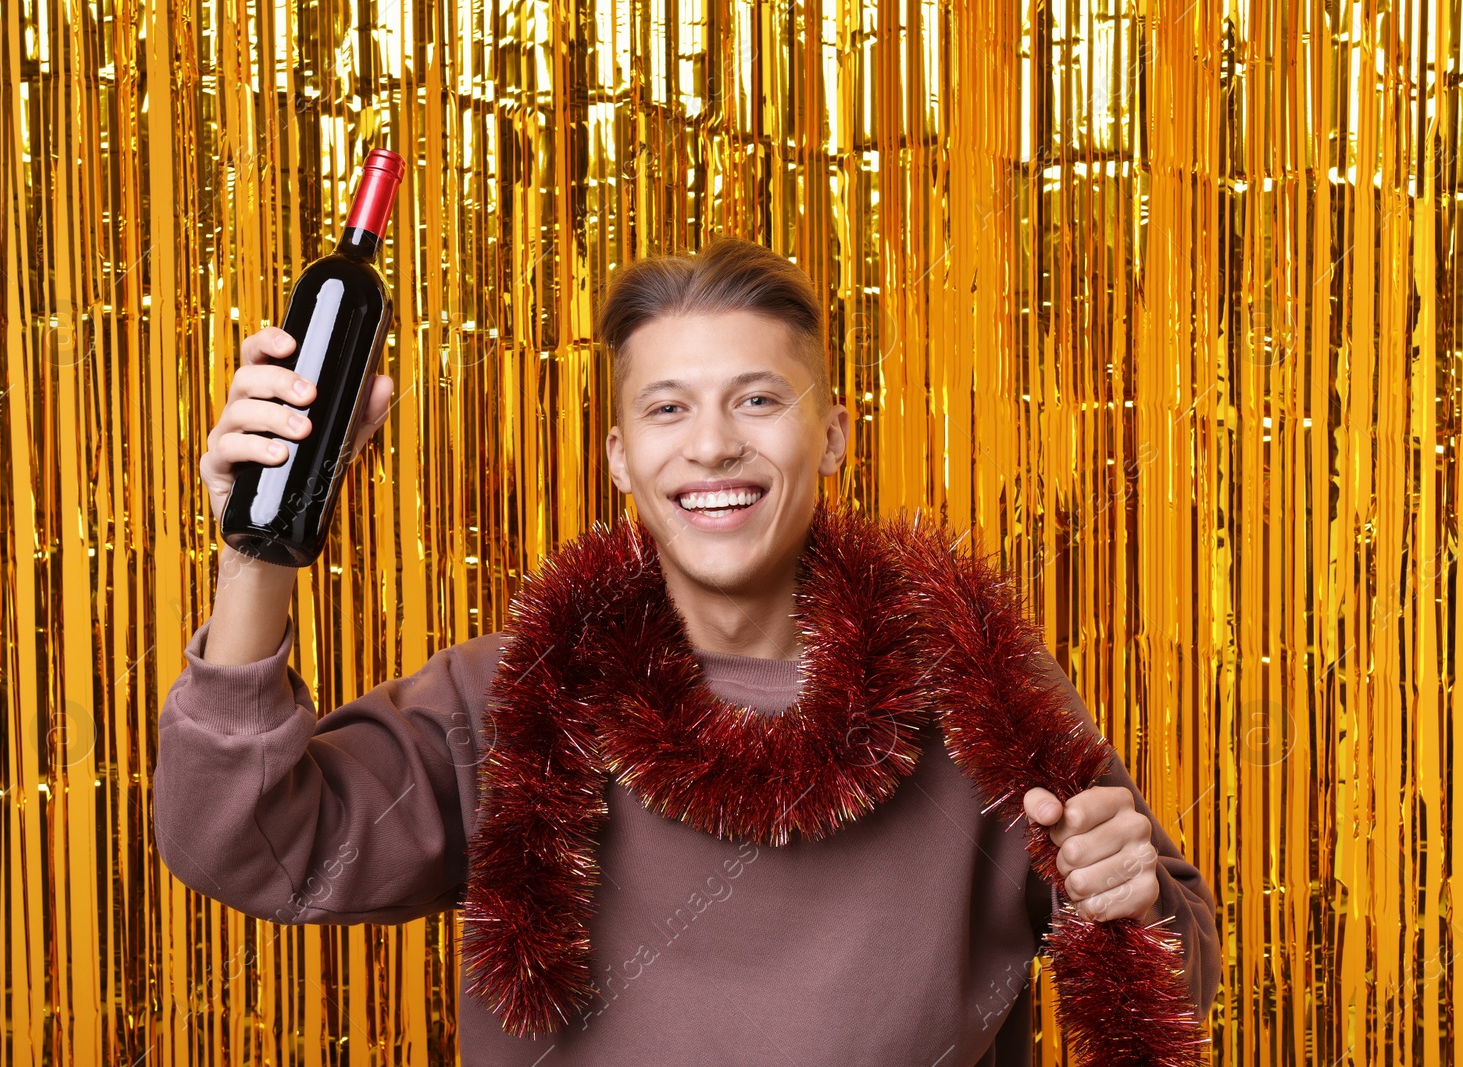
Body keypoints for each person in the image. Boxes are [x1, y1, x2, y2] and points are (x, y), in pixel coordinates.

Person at [155, 237, 1220, 1065]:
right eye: (667, 409)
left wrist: (1124, 896)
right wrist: (262, 540)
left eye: (758, 400)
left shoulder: (982, 685)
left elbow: (1171, 978)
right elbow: (248, 839)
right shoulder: (501, 698)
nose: (711, 443)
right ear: (622, 456)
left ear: (835, 435)